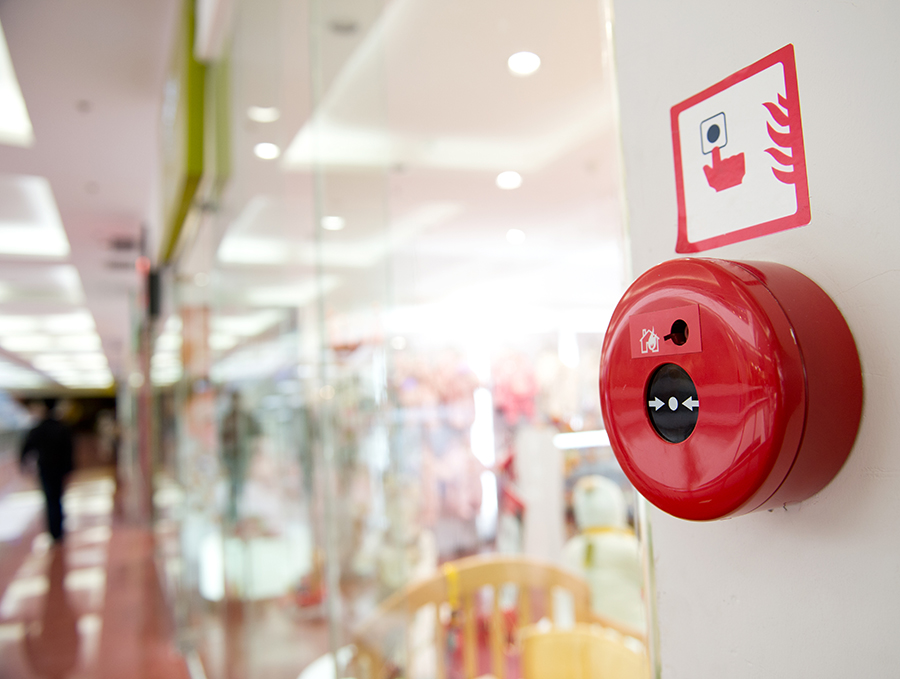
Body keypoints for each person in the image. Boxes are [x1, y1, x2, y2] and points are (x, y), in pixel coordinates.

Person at [20, 399, 74, 542]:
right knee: (58, 498)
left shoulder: (39, 428)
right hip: (60, 469)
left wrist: (23, 464)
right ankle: (59, 530)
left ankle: (53, 531)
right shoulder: (62, 427)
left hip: (45, 468)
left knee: (50, 498)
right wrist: (69, 468)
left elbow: (26, 447)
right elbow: (69, 450)